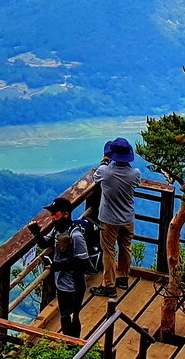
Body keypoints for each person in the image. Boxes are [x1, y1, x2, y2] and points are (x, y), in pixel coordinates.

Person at [90, 137, 141, 298]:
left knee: (108, 251)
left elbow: (96, 176)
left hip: (109, 219)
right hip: (128, 218)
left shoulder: (105, 172)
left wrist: (105, 161)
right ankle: (123, 278)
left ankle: (109, 286)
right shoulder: (135, 173)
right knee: (125, 248)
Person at [45, 196, 89, 338]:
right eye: (51, 214)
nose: (52, 217)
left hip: (74, 284)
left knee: (73, 315)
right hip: (61, 282)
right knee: (64, 315)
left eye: (55, 214)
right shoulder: (58, 230)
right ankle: (68, 344)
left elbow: (83, 262)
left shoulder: (75, 235)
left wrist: (59, 266)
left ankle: (73, 344)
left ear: (65, 214)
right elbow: (44, 243)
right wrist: (35, 232)